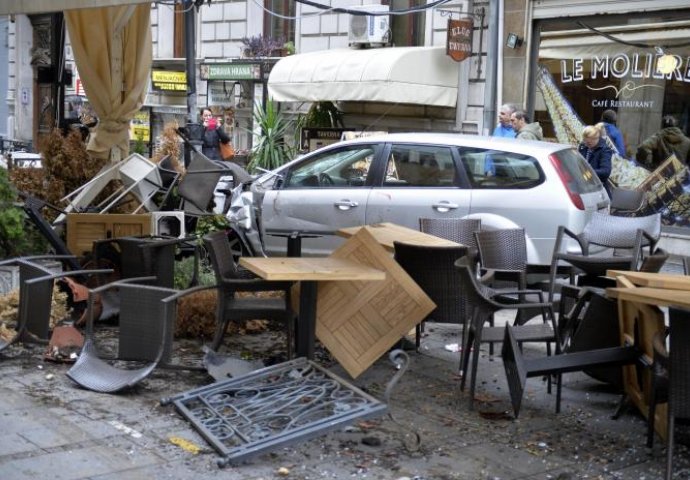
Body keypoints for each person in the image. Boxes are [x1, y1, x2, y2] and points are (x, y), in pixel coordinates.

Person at [578, 123, 612, 195]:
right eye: (585, 141)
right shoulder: (583, 146)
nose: (586, 144)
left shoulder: (605, 150)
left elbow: (605, 172)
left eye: (589, 143)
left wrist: (587, 173)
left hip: (598, 190)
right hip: (583, 187)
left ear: (597, 138)